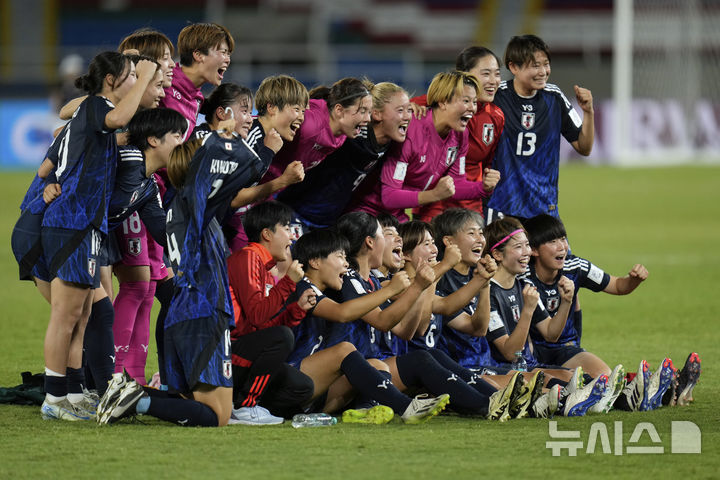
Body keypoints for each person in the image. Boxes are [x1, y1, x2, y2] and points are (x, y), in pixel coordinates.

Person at [96, 98, 282, 427]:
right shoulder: (196, 204)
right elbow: (248, 168)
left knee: (189, 400)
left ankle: (131, 393)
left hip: (182, 311)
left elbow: (236, 181)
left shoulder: (177, 206)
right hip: (203, 312)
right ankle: (136, 399)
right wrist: (258, 145)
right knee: (217, 416)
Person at [332, 212, 539, 422]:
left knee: (434, 355)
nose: (398, 240)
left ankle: (496, 399)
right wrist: (440, 269)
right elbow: (386, 321)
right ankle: (485, 405)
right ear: (370, 242)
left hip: (381, 367)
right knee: (422, 358)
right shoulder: (363, 281)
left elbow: (410, 328)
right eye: (385, 234)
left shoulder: (374, 283)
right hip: (359, 373)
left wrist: (480, 281)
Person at [38, 51, 156, 421]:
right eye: (131, 77)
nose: (138, 83)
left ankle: (71, 392)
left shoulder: (96, 115)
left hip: (85, 224)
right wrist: (146, 72)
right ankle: (54, 399)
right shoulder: (96, 107)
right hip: (72, 223)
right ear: (111, 81)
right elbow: (119, 116)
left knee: (84, 312)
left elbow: (51, 160)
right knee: (66, 314)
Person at [287, 228, 450, 424]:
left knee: (376, 365)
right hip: (290, 383)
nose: (346, 264)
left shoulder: (330, 291)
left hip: (316, 389)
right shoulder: (301, 287)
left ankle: (365, 410)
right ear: (315, 262)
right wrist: (391, 290)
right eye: (340, 256)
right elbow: (343, 313)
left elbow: (401, 327)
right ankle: (407, 407)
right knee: (344, 350)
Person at [522, 214, 681, 412]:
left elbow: (617, 285)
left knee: (603, 376)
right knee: (583, 384)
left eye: (563, 239)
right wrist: (566, 301)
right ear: (534, 250)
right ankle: (643, 390)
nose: (562, 246)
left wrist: (633, 280)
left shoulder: (575, 266)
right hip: (532, 353)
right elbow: (550, 334)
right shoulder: (523, 279)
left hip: (565, 348)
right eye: (552, 241)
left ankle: (647, 390)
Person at [481, 216, 611, 416]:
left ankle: (604, 396)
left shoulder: (523, 285)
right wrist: (527, 311)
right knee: (561, 388)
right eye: (518, 247)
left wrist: (566, 301)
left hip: (528, 367)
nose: (526, 253)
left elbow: (551, 333)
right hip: (502, 369)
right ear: (497, 254)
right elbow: (509, 353)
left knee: (583, 378)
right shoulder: (487, 292)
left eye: (527, 245)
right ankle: (573, 401)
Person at [352, 71, 498, 223]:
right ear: (443, 101)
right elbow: (389, 196)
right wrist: (434, 194)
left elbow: (456, 185)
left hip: (396, 216)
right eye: (466, 101)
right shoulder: (411, 129)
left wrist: (483, 188)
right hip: (367, 212)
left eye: (474, 102)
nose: (473, 108)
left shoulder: (460, 136)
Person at [108, 108, 186, 384]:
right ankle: (103, 379)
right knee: (84, 311)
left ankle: (131, 380)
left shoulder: (149, 185)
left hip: (92, 240)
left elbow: (162, 231)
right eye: (177, 135)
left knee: (139, 290)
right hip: (69, 236)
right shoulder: (127, 160)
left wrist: (192, 253)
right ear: (153, 140)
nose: (182, 142)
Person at [486, 34, 594, 222]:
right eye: (535, 65)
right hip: (502, 206)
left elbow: (584, 147)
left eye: (546, 64)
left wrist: (589, 112)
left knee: (559, 252)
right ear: (513, 67)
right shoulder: (496, 97)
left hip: (544, 207)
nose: (543, 71)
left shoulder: (554, 97)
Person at [279, 81, 412, 231]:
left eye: (410, 110)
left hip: (328, 221)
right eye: (401, 110)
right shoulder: (351, 135)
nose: (408, 116)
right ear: (377, 114)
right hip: (295, 211)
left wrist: (423, 103)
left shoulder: (390, 141)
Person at [226, 201, 315, 424]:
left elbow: (261, 325)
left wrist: (295, 311)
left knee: (302, 387)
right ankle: (246, 406)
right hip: (225, 353)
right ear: (267, 234)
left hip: (243, 350)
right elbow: (257, 316)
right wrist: (288, 283)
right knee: (282, 337)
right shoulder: (248, 257)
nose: (292, 238)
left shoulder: (264, 268)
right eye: (286, 229)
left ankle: (239, 404)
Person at [192, 81, 306, 251]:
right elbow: (233, 198)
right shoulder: (250, 137)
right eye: (297, 109)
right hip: (204, 225)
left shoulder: (266, 138)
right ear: (272, 108)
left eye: (303, 111)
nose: (302, 117)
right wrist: (283, 180)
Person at [411, 46, 503, 221]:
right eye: (486, 74)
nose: (493, 81)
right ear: (464, 75)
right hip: (433, 208)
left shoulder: (496, 116)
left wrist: (485, 188)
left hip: (470, 208)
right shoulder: (431, 103)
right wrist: (409, 107)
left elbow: (487, 166)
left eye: (497, 74)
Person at [260, 77, 372, 193]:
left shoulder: (342, 135)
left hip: (269, 191)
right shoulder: (309, 123)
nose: (368, 119)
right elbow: (263, 125)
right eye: (362, 111)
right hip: (251, 184)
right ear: (339, 110)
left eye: (369, 112)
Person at [160, 22, 234, 139]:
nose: (228, 60)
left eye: (229, 54)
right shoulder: (162, 84)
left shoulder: (198, 99)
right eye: (223, 52)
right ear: (198, 55)